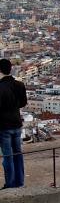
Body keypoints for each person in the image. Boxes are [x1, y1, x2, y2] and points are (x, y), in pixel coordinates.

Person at [0, 59, 28, 189]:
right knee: (18, 153)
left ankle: (10, 184)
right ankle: (20, 182)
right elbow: (23, 103)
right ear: (10, 69)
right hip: (17, 124)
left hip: (4, 126)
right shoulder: (20, 84)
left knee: (8, 156)